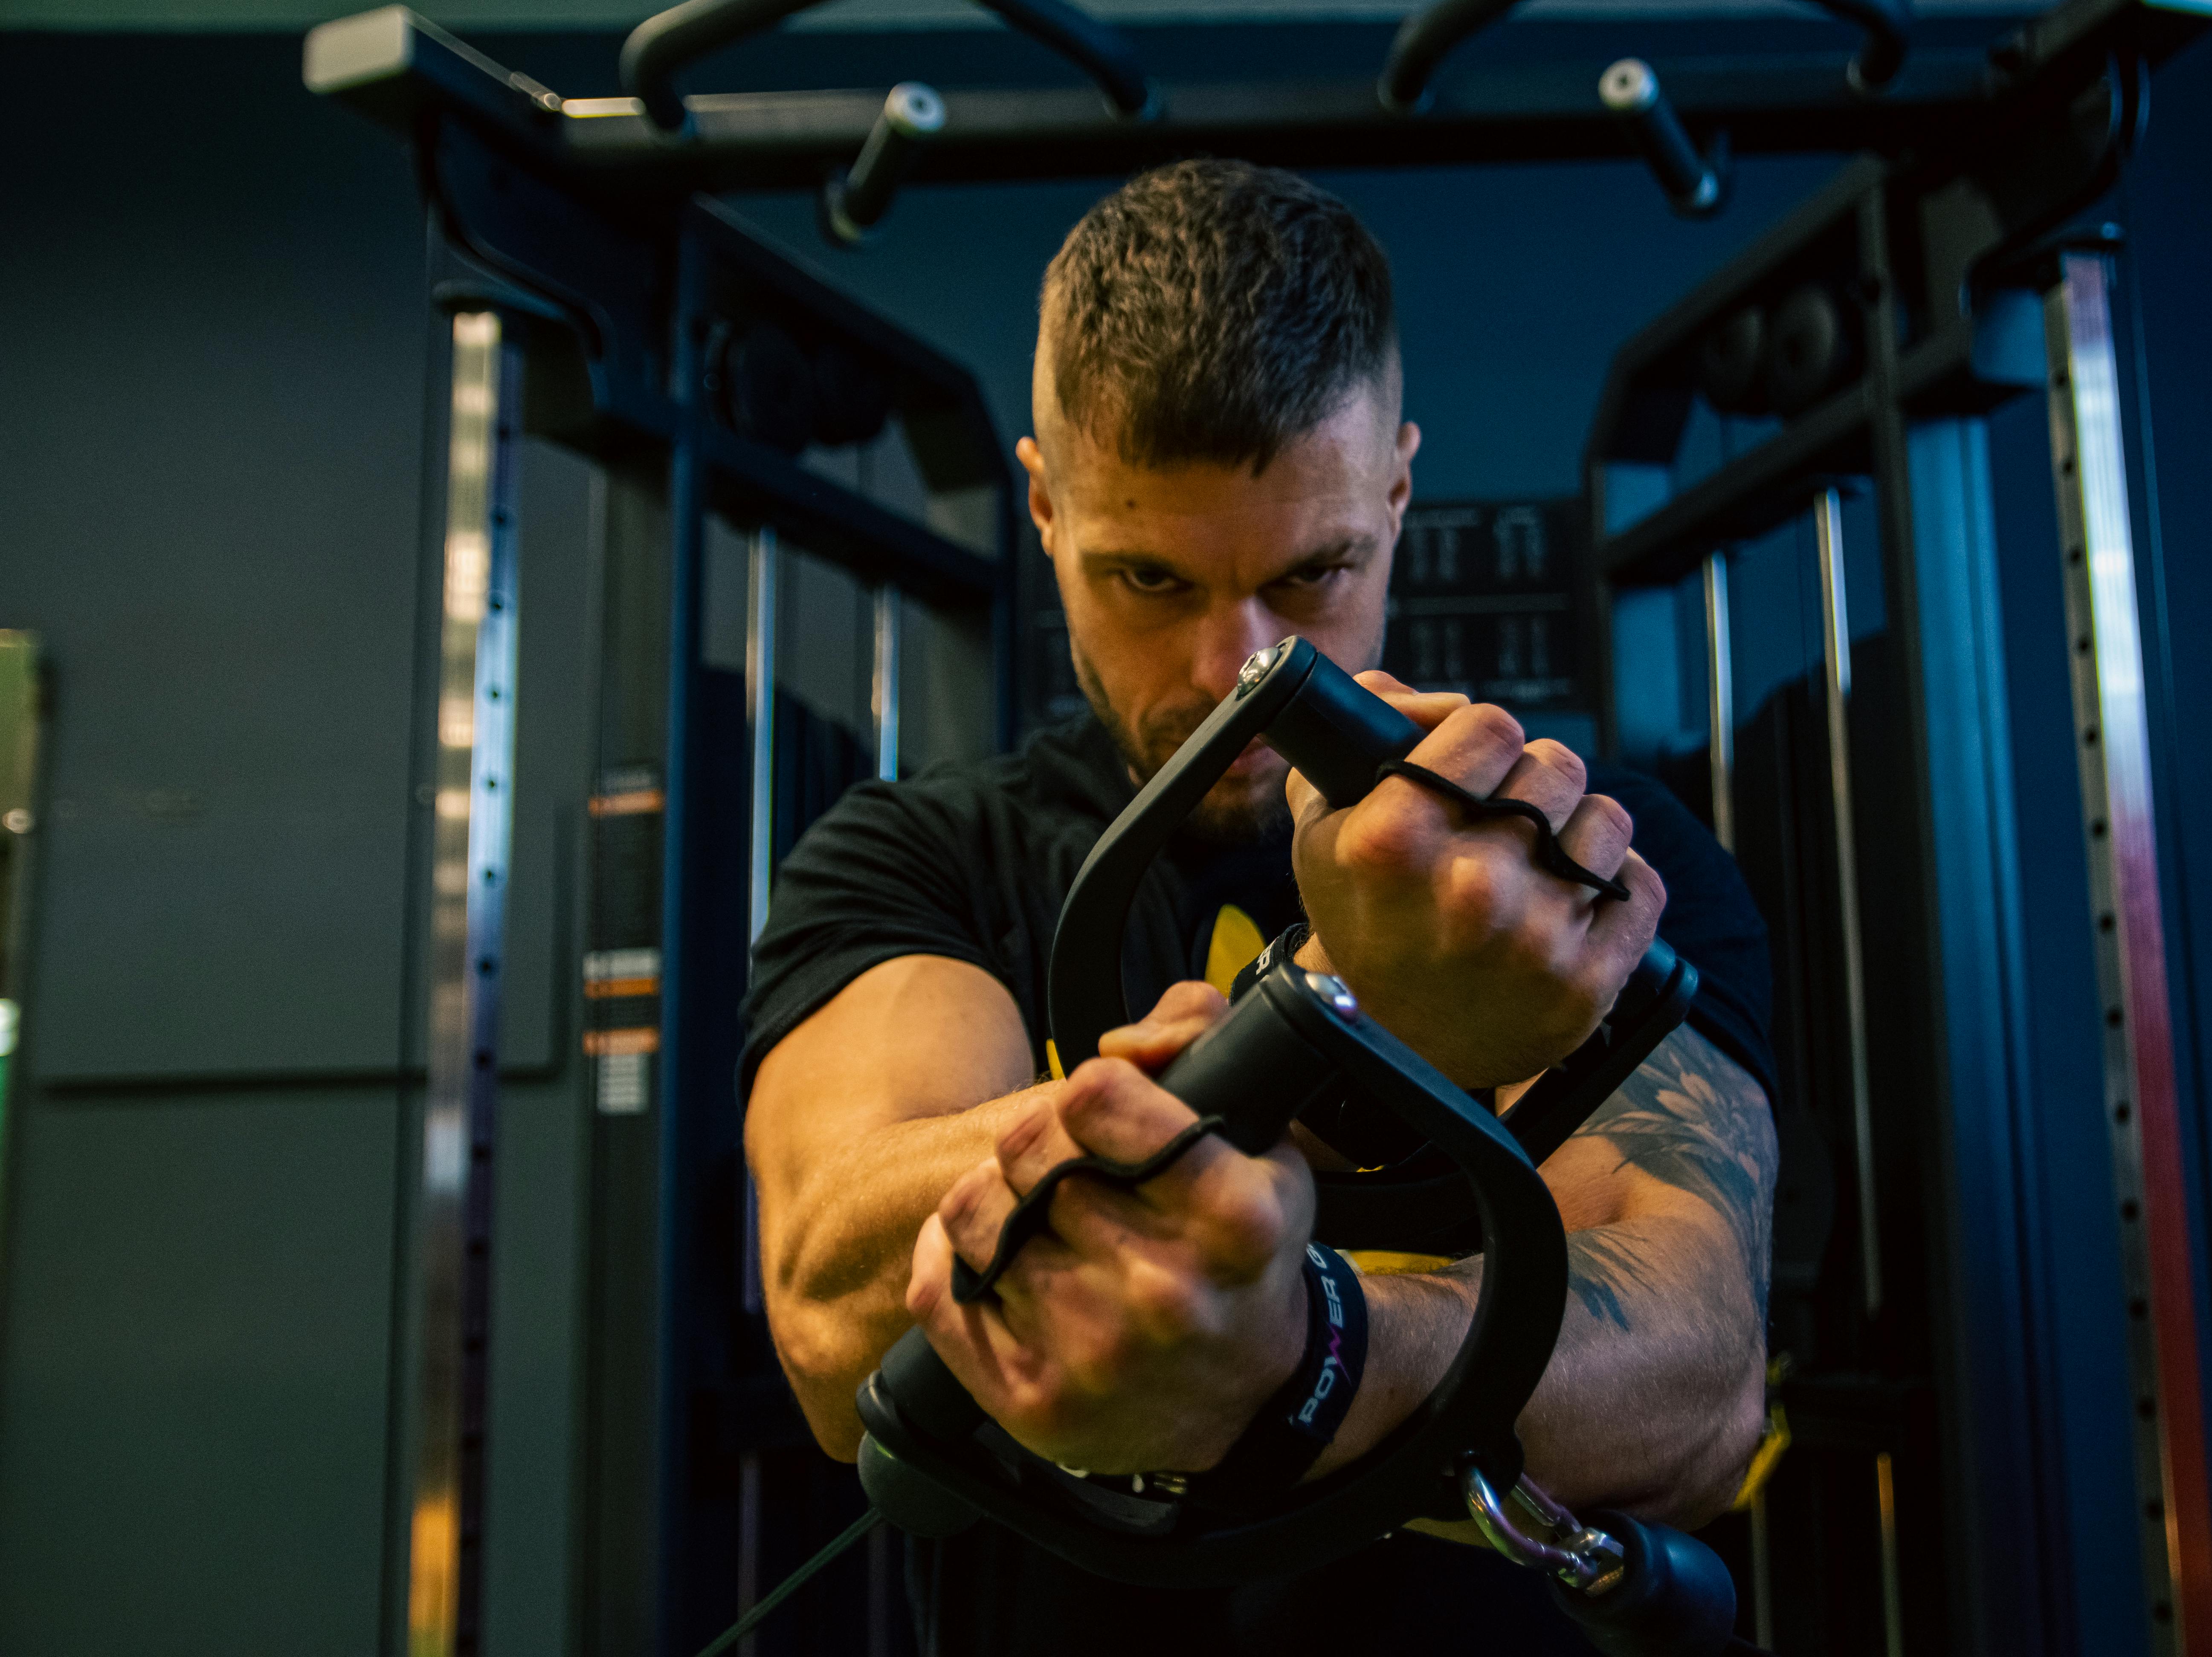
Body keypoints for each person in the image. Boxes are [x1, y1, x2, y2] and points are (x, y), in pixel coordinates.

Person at [741, 158, 1778, 1656]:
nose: (1240, 666)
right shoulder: (920, 859)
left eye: (1314, 574)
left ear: (1398, 496)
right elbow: (842, 1323)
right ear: (1044, 507)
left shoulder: (1581, 861)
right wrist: (1348, 1032)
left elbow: (1695, 1387)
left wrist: (1303, 1356)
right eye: (1149, 577)